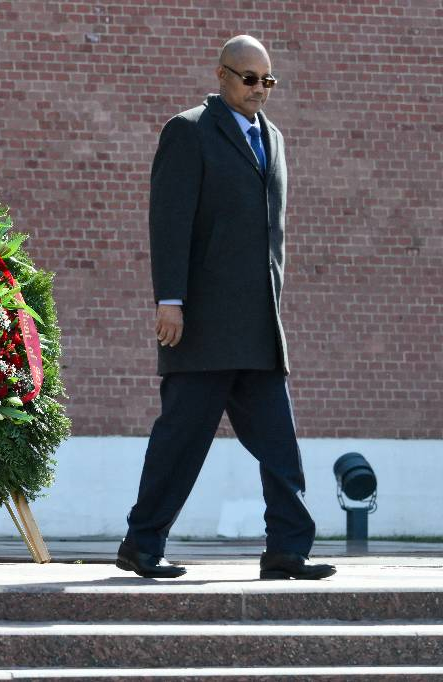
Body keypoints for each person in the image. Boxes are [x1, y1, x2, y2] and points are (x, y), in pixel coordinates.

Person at [116, 36, 335, 580]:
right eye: (249, 78)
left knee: (280, 445)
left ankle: (287, 549)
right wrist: (170, 301)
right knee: (182, 441)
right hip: (202, 325)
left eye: (268, 80)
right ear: (222, 75)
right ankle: (141, 544)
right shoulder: (189, 131)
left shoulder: (273, 138)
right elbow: (169, 223)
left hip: (259, 327)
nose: (259, 89)